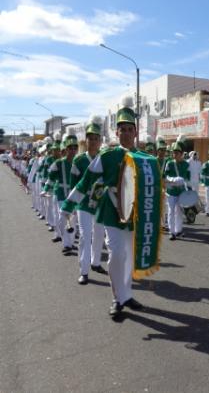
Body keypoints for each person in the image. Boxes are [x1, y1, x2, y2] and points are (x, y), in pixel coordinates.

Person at [62, 96, 145, 318]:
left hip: (133, 215)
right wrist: (67, 206)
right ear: (116, 134)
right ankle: (117, 298)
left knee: (128, 256)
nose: (126, 133)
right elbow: (85, 181)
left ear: (135, 133)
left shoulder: (143, 157)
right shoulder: (107, 156)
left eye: (130, 129)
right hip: (111, 213)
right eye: (122, 130)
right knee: (117, 254)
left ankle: (126, 295)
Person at [70, 115, 107, 285]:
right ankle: (83, 271)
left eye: (96, 139)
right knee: (86, 236)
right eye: (90, 138)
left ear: (100, 141)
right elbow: (73, 185)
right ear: (86, 140)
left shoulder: (105, 159)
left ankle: (96, 262)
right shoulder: (78, 160)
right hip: (84, 204)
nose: (93, 141)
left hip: (100, 205)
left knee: (99, 234)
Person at [47, 128, 79, 254]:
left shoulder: (79, 161)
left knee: (73, 220)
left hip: (75, 195)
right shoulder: (58, 163)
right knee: (63, 219)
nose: (72, 150)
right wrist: (46, 189)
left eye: (74, 148)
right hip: (60, 194)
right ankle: (65, 240)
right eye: (70, 148)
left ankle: (68, 244)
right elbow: (50, 178)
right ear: (65, 149)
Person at [163, 135, 191, 241]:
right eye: (174, 152)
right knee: (171, 211)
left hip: (181, 192)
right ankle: (171, 231)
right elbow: (165, 176)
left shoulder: (186, 164)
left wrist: (184, 182)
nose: (175, 154)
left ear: (181, 154)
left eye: (177, 153)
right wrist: (173, 180)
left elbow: (188, 178)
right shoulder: (169, 163)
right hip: (171, 191)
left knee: (179, 211)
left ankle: (178, 230)